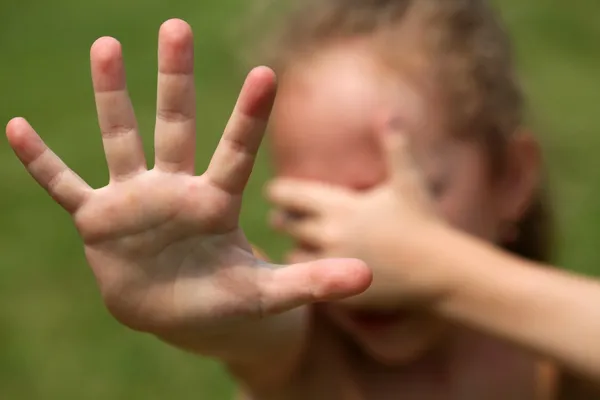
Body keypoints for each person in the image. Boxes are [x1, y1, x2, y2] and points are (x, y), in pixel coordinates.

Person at [4, 1, 599, 399]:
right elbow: (258, 329)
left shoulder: (554, 356)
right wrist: (202, 298)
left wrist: (436, 266)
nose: (360, 238)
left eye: (396, 199)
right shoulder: (313, 367)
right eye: (312, 208)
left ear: (511, 178)